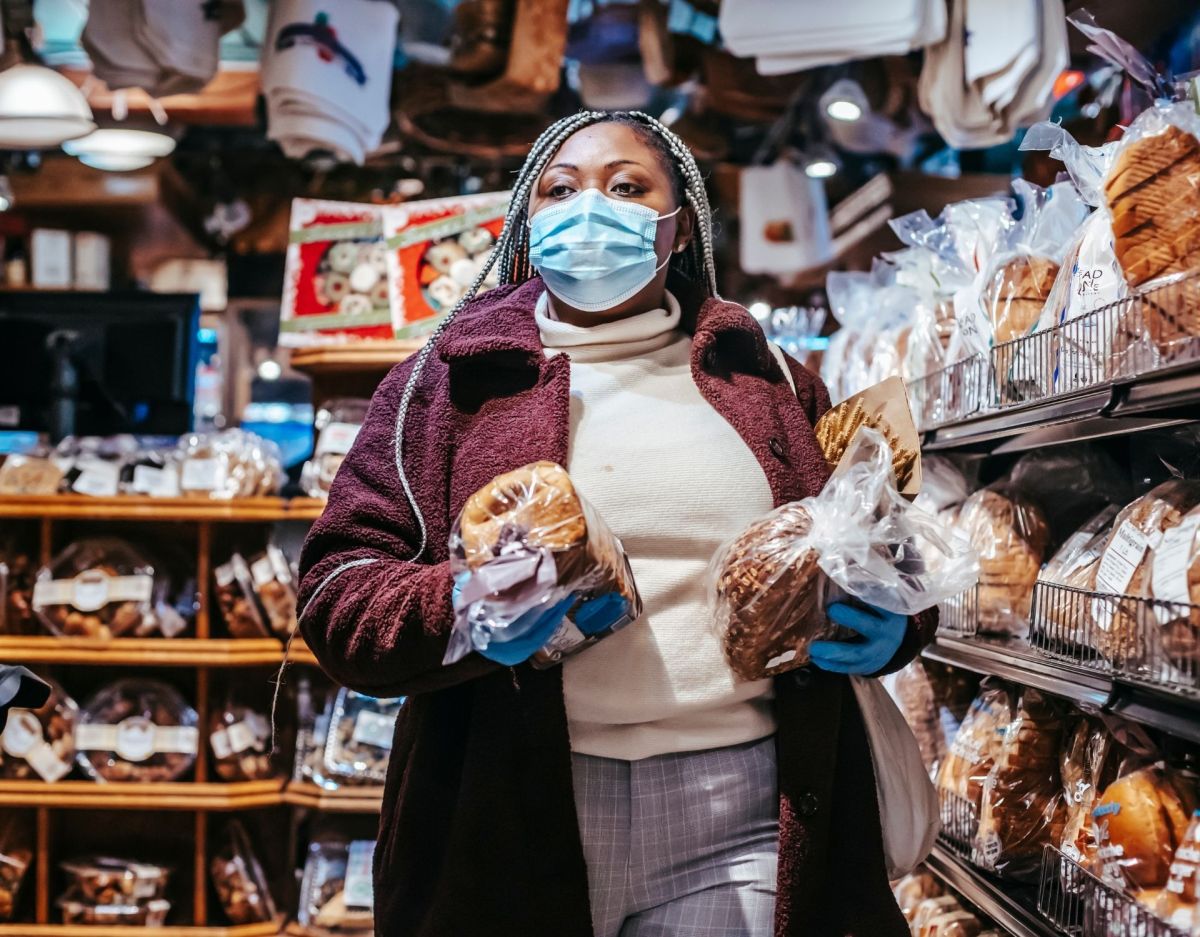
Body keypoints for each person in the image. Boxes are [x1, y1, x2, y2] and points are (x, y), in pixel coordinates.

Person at [298, 110, 936, 937]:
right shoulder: (443, 385)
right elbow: (337, 583)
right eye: (561, 189)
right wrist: (464, 607)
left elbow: (883, 549)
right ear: (528, 220)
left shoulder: (768, 379)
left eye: (628, 186)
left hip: (740, 808)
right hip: (509, 812)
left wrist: (895, 620)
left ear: (677, 229)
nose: (590, 207)